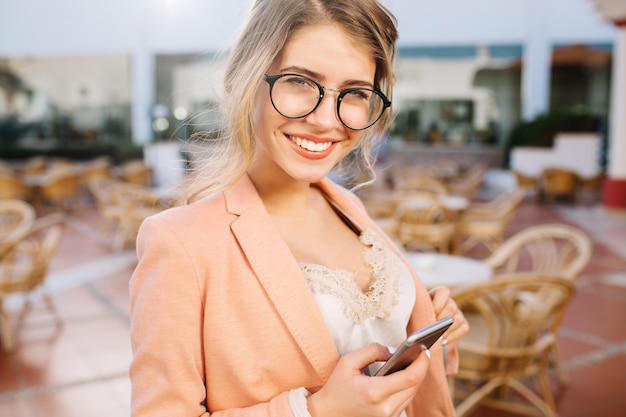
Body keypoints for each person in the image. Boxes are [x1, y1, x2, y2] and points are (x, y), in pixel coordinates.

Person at [129, 0, 469, 416]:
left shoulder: (346, 204)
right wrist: (316, 411)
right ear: (246, 77)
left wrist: (422, 318)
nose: (327, 120)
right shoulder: (180, 242)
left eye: (356, 92)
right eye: (300, 82)